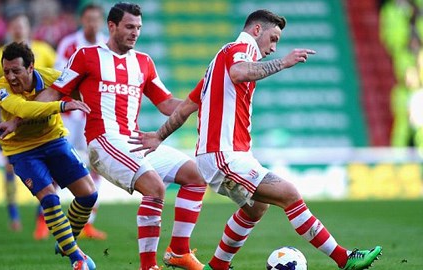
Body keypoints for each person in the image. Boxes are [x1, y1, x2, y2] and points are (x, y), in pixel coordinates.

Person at [129, 9, 383, 270]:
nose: (273, 48)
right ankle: (344, 258)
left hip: (225, 154)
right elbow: (240, 72)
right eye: (273, 39)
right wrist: (283, 63)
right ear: (257, 30)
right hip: (223, 154)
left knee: (256, 208)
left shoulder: (218, 62)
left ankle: (216, 266)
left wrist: (159, 136)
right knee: (289, 194)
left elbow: (185, 107)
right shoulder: (241, 48)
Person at [32, 3, 208, 270]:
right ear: (111, 26)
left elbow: (166, 103)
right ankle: (148, 266)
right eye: (129, 26)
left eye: (138, 27)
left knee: (195, 176)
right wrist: (19, 115)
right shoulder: (86, 56)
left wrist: (202, 102)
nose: (135, 32)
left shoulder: (144, 62)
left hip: (133, 140)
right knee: (155, 188)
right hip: (102, 140)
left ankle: (178, 251)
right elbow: (55, 92)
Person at [0, 42, 96, 270]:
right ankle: (77, 259)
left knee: (88, 196)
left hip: (54, 140)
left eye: (16, 71)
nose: (11, 77)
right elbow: (24, 110)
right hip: (22, 150)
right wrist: (62, 105)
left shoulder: (53, 78)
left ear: (31, 67)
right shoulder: (0, 88)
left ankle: (66, 243)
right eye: (7, 71)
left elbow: (85, 90)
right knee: (49, 198)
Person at [0, 12, 56, 237]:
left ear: (28, 29)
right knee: (10, 169)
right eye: (14, 26)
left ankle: (41, 218)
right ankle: (13, 214)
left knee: (49, 170)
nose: (18, 30)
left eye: (21, 26)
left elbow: (62, 76)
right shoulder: (1, 55)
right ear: (10, 29)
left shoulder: (43, 51)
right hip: (12, 122)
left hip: (42, 121)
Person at [54, 2, 108, 241]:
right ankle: (45, 219)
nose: (92, 23)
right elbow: (59, 77)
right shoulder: (68, 44)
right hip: (69, 116)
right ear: (81, 20)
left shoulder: (107, 45)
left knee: (95, 166)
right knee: (59, 164)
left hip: (93, 116)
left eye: (96, 19)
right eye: (88, 19)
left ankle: (88, 222)